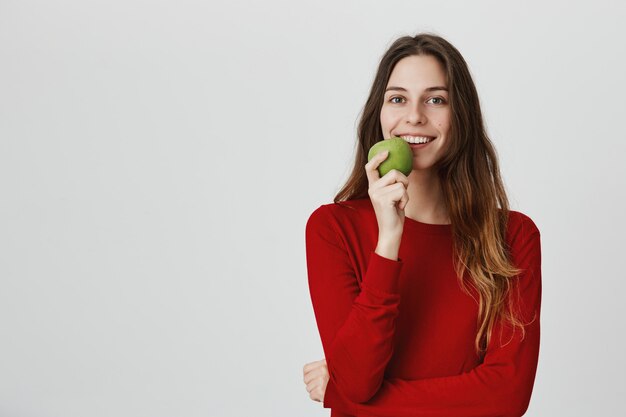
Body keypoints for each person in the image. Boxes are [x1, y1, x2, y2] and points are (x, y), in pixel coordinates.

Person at [302, 33, 542, 417]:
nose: (414, 115)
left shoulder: (513, 236)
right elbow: (359, 379)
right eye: (398, 98)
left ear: (460, 114)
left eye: (435, 99)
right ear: (378, 115)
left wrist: (343, 397)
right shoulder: (332, 228)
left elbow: (505, 398)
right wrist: (389, 241)